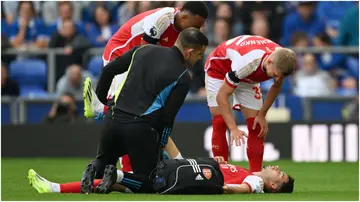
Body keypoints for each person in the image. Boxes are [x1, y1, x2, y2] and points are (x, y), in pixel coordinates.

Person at [83, 1, 209, 173]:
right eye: (196, 25)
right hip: (120, 51)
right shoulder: (161, 20)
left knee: (139, 112)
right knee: (128, 109)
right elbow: (145, 57)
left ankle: (143, 161)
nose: (198, 31)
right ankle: (100, 108)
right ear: (184, 16)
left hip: (138, 57)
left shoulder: (180, 33)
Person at [204, 35, 296, 172]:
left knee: (256, 126)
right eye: (275, 75)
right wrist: (233, 128)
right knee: (220, 121)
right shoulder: (247, 62)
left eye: (280, 77)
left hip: (247, 76)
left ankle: (256, 176)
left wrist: (262, 115)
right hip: (219, 69)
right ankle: (222, 174)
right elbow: (222, 96)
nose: (277, 79)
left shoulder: (281, 58)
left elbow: (276, 86)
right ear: (269, 62)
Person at [28, 157, 295, 194]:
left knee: (126, 180)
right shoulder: (248, 171)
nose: (276, 168)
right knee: (117, 185)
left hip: (179, 181)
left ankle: (120, 171)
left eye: (279, 174)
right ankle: (54, 188)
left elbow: (243, 189)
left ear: (272, 185)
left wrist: (223, 190)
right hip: (183, 172)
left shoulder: (256, 182)